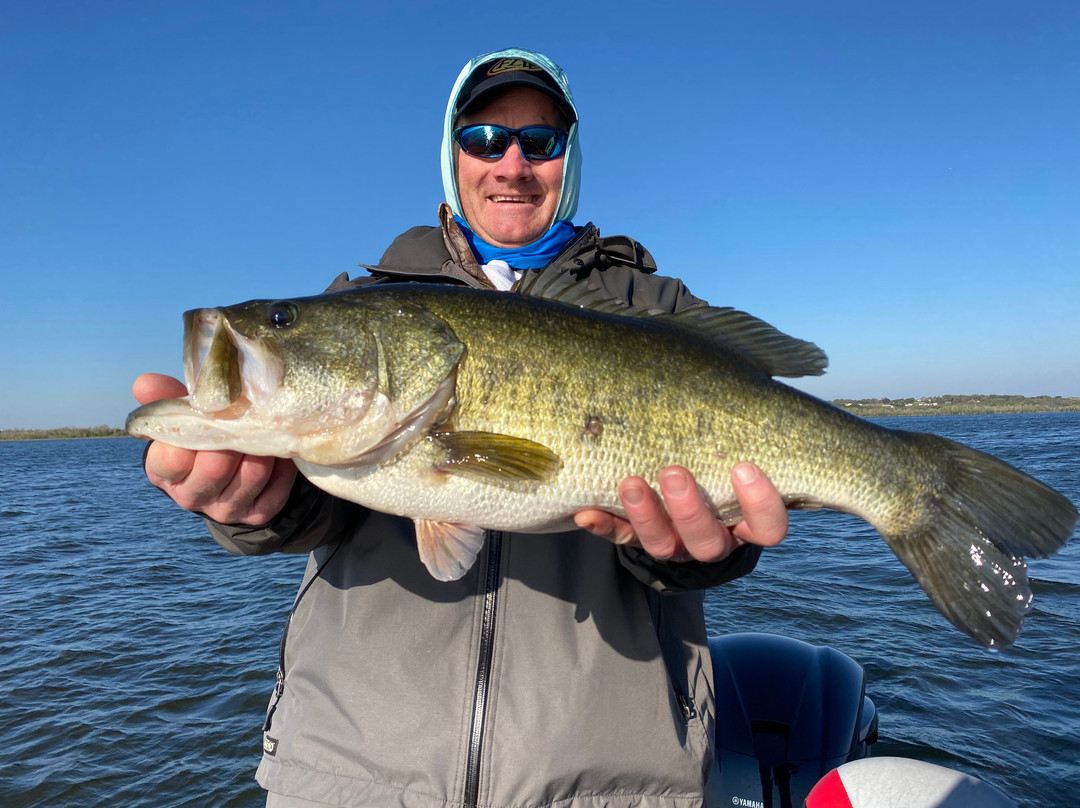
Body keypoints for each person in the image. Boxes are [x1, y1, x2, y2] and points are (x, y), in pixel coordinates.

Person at [134, 48, 790, 808]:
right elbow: (321, 504)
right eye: (483, 139)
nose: (511, 164)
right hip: (352, 776)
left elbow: (709, 526)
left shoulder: (656, 311)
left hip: (607, 785)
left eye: (539, 141)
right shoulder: (365, 301)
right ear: (453, 156)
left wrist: (691, 555)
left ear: (568, 159)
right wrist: (258, 505)